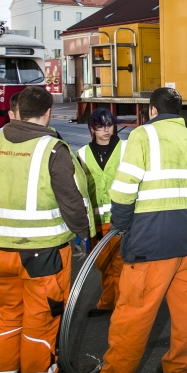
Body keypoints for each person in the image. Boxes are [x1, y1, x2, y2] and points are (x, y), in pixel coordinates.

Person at [96, 87, 187, 373]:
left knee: (133, 316)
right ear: (180, 112)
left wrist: (120, 227)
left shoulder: (141, 137)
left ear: (152, 111)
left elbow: (123, 191)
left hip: (149, 244)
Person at [0, 86, 93, 373]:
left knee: (10, 313)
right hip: (44, 253)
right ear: (48, 113)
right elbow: (72, 198)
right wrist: (83, 233)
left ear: (16, 111)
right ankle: (38, 372)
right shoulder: (51, 148)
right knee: (42, 313)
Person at [78, 108, 124, 316]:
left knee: (121, 265)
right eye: (100, 127)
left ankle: (122, 305)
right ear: (92, 129)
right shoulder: (81, 154)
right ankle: (108, 302)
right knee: (104, 265)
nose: (106, 130)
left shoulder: (125, 149)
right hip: (96, 221)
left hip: (121, 219)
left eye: (109, 125)